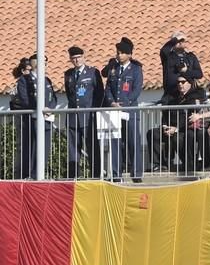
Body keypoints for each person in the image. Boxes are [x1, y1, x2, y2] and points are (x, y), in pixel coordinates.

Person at [105, 37, 144, 182]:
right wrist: (112, 102)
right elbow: (108, 88)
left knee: (133, 141)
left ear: (129, 55)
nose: (119, 55)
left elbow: (137, 89)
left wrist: (125, 103)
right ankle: (116, 173)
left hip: (130, 110)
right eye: (118, 52)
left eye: (122, 53)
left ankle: (136, 173)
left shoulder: (135, 69)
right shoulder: (113, 69)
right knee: (115, 142)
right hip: (115, 111)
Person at [64, 46, 104, 179]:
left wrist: (95, 111)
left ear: (83, 57)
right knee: (73, 148)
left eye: (79, 57)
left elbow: (99, 94)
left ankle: (95, 175)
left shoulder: (93, 72)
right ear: (70, 59)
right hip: (73, 116)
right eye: (74, 58)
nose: (76, 60)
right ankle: (73, 176)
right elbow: (70, 95)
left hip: (88, 116)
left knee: (92, 147)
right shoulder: (68, 74)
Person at [16, 54, 57, 179]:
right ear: (34, 63)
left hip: (46, 118)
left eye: (45, 62)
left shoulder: (46, 80)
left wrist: (50, 108)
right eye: (41, 62)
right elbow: (24, 99)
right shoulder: (25, 80)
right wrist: (39, 108)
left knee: (45, 147)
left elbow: (53, 98)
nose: (44, 65)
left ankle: (40, 173)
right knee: (33, 147)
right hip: (33, 118)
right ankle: (31, 174)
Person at [160, 32, 203, 101]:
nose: (180, 43)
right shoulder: (168, 57)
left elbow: (199, 74)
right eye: (178, 41)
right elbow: (164, 50)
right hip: (171, 96)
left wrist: (186, 71)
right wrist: (176, 39)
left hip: (188, 96)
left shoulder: (190, 57)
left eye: (182, 41)